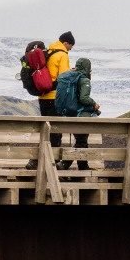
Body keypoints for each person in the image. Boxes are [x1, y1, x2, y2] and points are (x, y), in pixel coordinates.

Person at [44, 30, 88, 162]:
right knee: (55, 131)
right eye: (71, 46)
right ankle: (53, 162)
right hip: (55, 96)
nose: (71, 49)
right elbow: (64, 78)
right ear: (65, 43)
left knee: (47, 129)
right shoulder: (62, 55)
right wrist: (73, 73)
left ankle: (44, 160)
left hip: (43, 96)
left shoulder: (49, 52)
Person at [53, 52, 101, 169]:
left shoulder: (71, 77)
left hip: (70, 113)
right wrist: (94, 104)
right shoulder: (84, 80)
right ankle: (68, 165)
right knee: (82, 141)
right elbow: (84, 98)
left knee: (81, 141)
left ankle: (77, 166)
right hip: (81, 114)